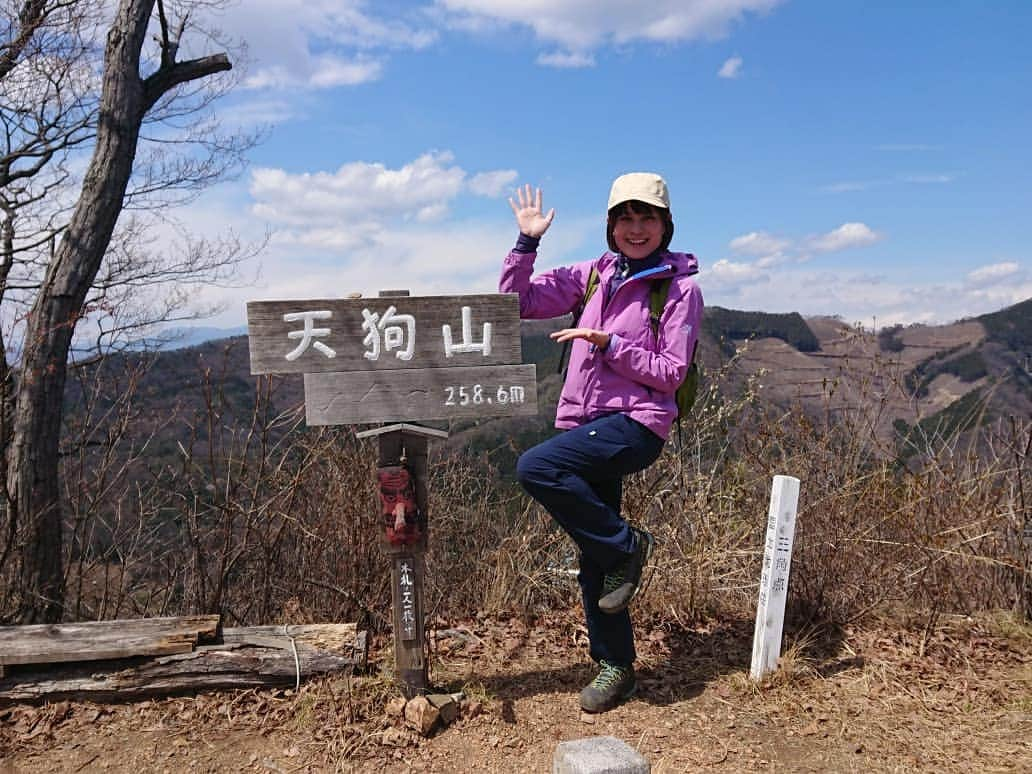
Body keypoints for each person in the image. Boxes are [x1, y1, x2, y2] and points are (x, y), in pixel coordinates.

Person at [499, 172, 703, 713]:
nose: (636, 229)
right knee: (596, 558)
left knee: (534, 468)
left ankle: (628, 546)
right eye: (625, 218)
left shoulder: (678, 290)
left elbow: (669, 372)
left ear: (665, 225)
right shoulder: (594, 275)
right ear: (611, 226)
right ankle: (617, 666)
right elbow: (515, 302)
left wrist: (608, 343)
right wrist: (527, 242)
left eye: (648, 218)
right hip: (582, 423)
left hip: (636, 423)